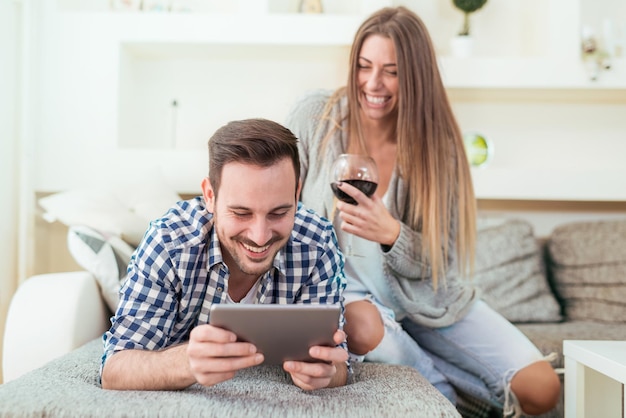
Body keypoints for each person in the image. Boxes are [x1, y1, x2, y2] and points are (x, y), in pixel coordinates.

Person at [286, 6, 560, 417]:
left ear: (415, 76)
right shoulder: (315, 117)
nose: (372, 83)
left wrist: (393, 234)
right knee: (361, 326)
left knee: (543, 390)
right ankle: (441, 392)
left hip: (426, 297)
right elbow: (280, 202)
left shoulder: (438, 146)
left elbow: (442, 260)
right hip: (350, 293)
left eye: (391, 71)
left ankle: (448, 389)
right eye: (364, 66)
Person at [100, 118, 349, 391]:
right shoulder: (169, 241)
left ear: (296, 192)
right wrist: (186, 362)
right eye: (241, 213)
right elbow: (114, 369)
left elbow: (337, 365)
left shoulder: (318, 242)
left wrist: (326, 372)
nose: (260, 236)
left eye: (279, 213)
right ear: (210, 195)